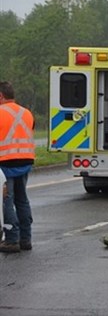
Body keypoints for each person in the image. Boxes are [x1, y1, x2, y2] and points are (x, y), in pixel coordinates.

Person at [0, 81, 36, 253]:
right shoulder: (26, 112)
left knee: (6, 201)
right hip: (25, 161)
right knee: (22, 200)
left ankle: (11, 239)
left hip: (5, 163)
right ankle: (25, 238)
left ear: (0, 96)